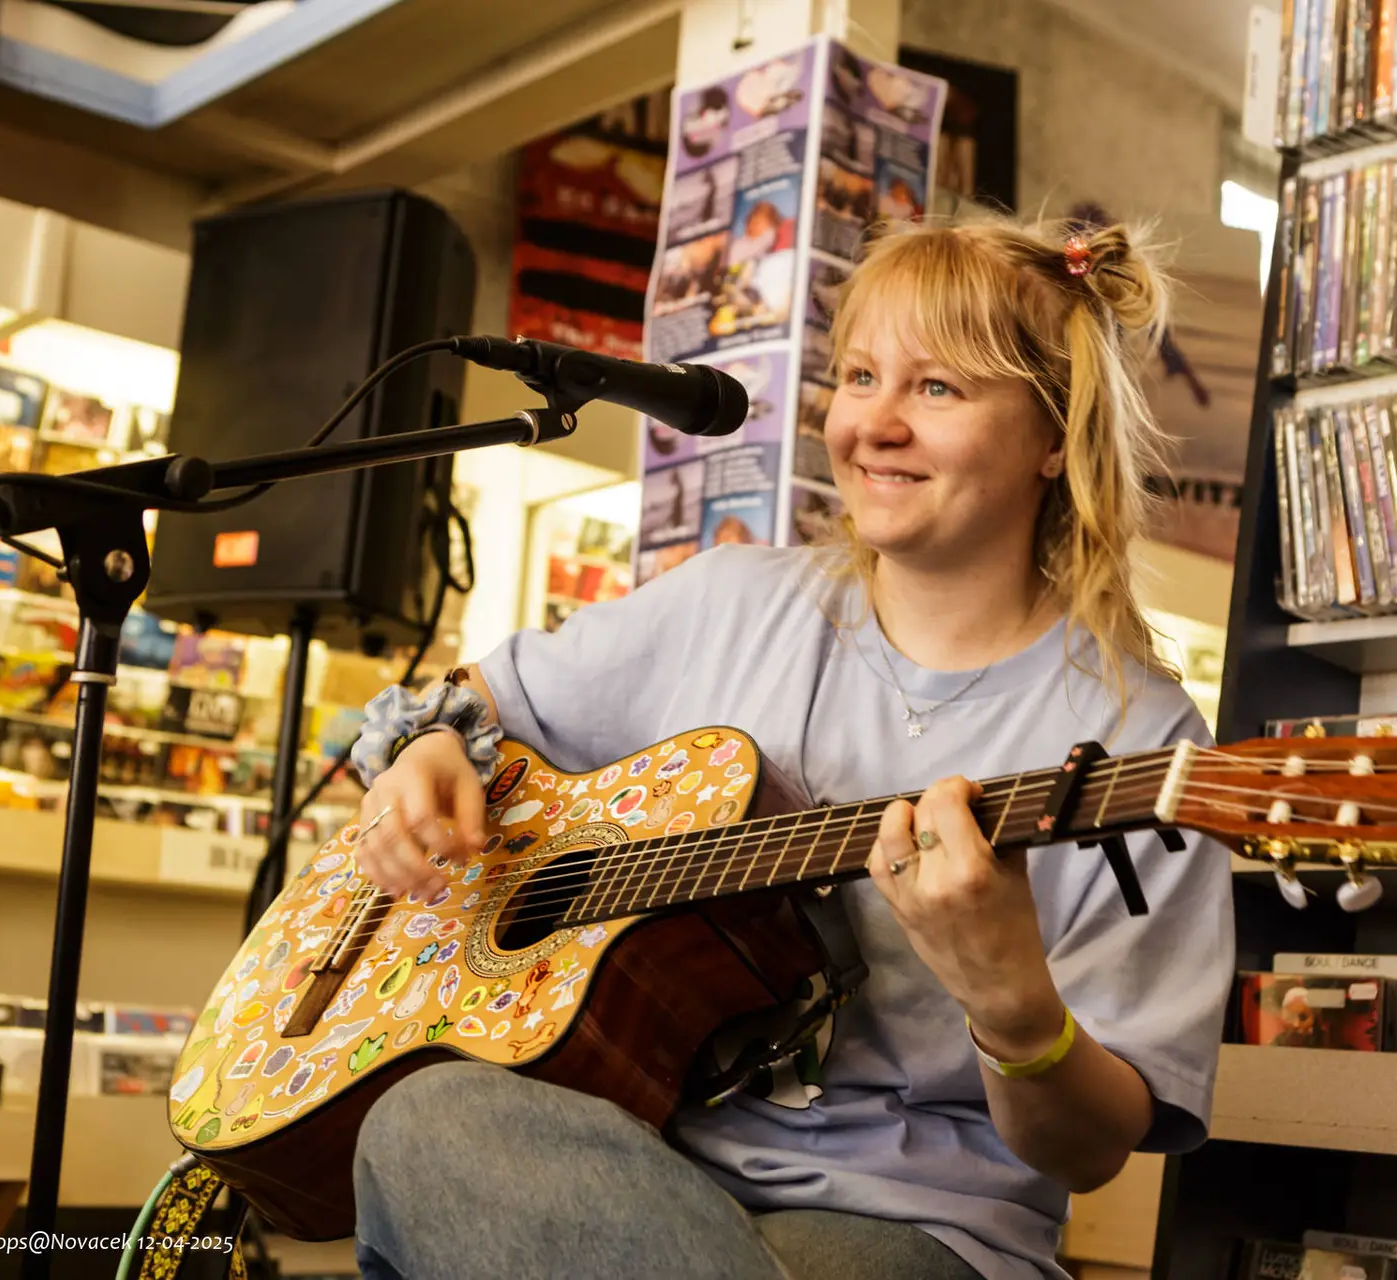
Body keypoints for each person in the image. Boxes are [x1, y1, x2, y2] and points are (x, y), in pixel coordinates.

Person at [344, 211, 1234, 1280]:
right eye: (860, 375)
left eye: (937, 388)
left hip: (914, 1229)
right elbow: (470, 701)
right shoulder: (728, 600)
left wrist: (1010, 999)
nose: (874, 424)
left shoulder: (1142, 740)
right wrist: (430, 754)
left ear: (1053, 436)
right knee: (426, 1117)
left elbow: (1091, 1150)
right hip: (629, 1166)